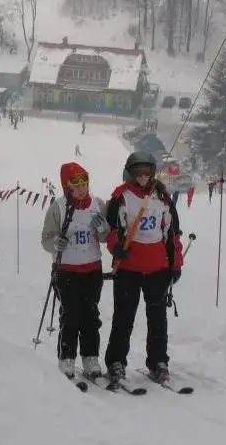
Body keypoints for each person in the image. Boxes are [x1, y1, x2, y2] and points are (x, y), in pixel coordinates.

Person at [103, 151, 183, 385]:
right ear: (130, 173)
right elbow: (112, 229)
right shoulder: (121, 196)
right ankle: (116, 361)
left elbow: (171, 233)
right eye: (138, 173)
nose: (143, 178)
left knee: (157, 318)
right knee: (124, 316)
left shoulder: (163, 197)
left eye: (147, 173)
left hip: (157, 267)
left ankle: (158, 361)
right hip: (129, 267)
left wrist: (175, 263)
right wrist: (116, 247)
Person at [41, 162, 110, 379]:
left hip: (92, 269)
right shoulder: (58, 207)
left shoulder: (98, 204)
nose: (81, 188)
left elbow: (106, 237)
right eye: (75, 183)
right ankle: (67, 358)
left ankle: (90, 357)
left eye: (84, 182)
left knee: (90, 315)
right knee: (70, 315)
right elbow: (46, 239)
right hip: (67, 271)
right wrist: (56, 243)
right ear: (66, 185)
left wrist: (103, 230)